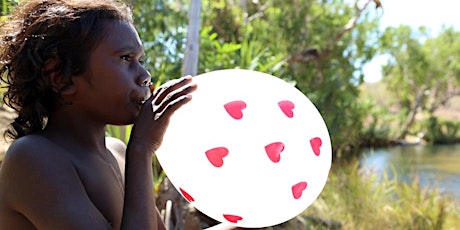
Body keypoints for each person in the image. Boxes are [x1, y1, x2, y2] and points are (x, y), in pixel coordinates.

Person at [0, 0, 240, 229]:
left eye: (141, 60)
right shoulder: (34, 156)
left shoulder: (118, 152)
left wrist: (238, 224)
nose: (145, 75)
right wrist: (142, 147)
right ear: (60, 77)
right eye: (126, 58)